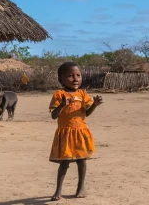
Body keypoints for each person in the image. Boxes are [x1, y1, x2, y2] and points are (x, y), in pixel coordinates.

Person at [49, 62, 103, 200]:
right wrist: (61, 105)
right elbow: (54, 115)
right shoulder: (59, 94)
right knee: (64, 162)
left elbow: (87, 113)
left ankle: (81, 187)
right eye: (70, 76)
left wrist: (95, 105)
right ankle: (58, 191)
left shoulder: (83, 94)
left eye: (78, 75)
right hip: (66, 133)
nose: (75, 79)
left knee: (81, 160)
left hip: (80, 132)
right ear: (61, 79)